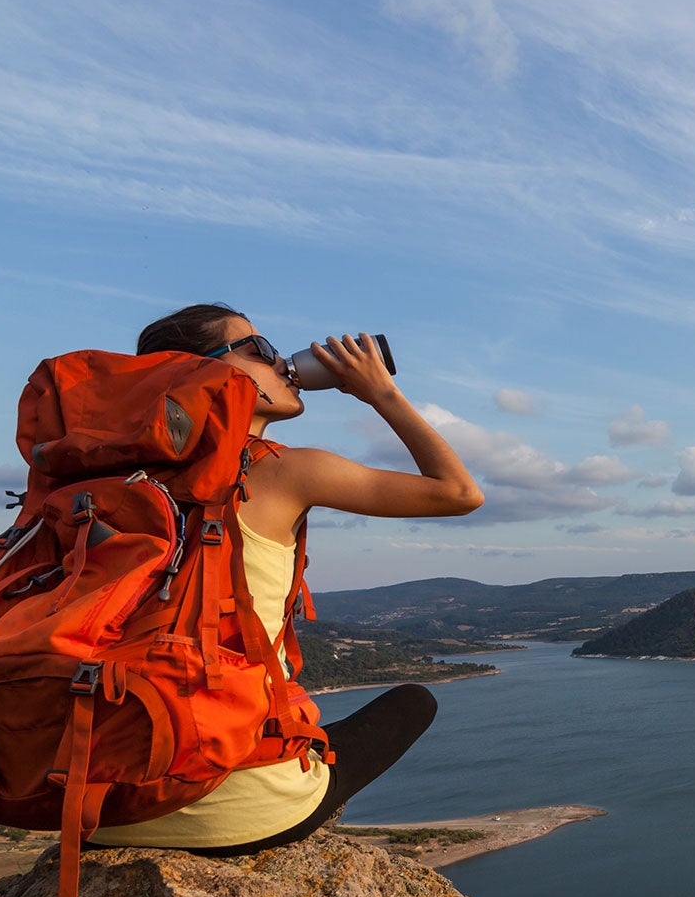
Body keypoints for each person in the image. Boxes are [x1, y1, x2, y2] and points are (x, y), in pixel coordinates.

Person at [90, 302, 484, 856]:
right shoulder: (284, 469)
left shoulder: (101, 485)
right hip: (236, 813)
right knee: (413, 702)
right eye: (259, 350)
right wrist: (380, 393)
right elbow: (460, 493)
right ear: (205, 372)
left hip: (99, 813)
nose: (282, 362)